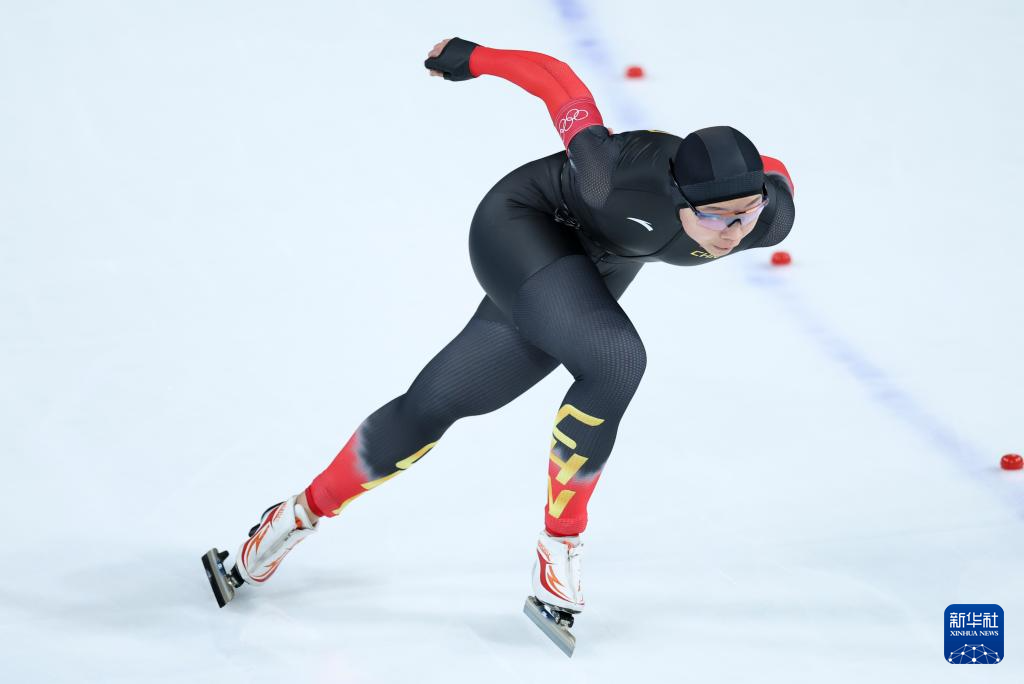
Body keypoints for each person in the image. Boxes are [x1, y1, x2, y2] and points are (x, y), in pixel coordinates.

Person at [202, 36, 796, 648]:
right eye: (715, 216)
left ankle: (292, 518)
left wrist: (748, 210)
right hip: (524, 226)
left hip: (593, 268)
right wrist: (473, 57)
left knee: (434, 404)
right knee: (617, 359)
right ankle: (560, 547)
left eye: (745, 214)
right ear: (676, 197)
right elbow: (557, 80)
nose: (733, 233)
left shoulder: (767, 214)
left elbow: (771, 177)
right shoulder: (610, 174)